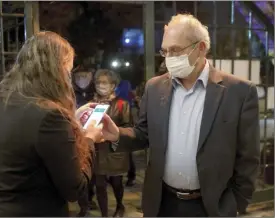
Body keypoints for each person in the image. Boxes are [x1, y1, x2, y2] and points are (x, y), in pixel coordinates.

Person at [91, 14, 260, 217]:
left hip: (211, 208)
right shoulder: (155, 87)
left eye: (176, 50)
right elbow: (143, 134)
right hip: (162, 204)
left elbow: (248, 159)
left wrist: (234, 204)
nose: (169, 57)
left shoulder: (239, 92)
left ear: (201, 48)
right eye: (165, 50)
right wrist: (117, 134)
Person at [0, 31, 103, 217]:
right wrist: (89, 139)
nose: (68, 81)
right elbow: (75, 189)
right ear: (55, 71)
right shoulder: (50, 117)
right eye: (67, 72)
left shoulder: (0, 103)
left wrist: (71, 121)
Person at [92, 69, 131, 217]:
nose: (100, 85)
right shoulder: (92, 104)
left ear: (113, 85)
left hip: (116, 150)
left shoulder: (122, 104)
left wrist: (112, 132)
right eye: (98, 82)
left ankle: (120, 205)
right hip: (98, 150)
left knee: (116, 182)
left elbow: (129, 127)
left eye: (104, 82)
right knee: (100, 184)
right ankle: (104, 214)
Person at [72, 65, 98, 216]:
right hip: (77, 139)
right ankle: (83, 204)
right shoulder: (70, 94)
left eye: (86, 76)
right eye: (79, 77)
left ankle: (90, 198)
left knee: (93, 173)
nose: (83, 80)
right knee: (81, 170)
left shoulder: (95, 93)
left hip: (95, 137)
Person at [115, 79, 136, 187]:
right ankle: (131, 177)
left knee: (126, 154)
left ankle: (127, 176)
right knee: (128, 154)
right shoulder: (130, 94)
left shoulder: (118, 96)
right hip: (126, 126)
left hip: (121, 126)